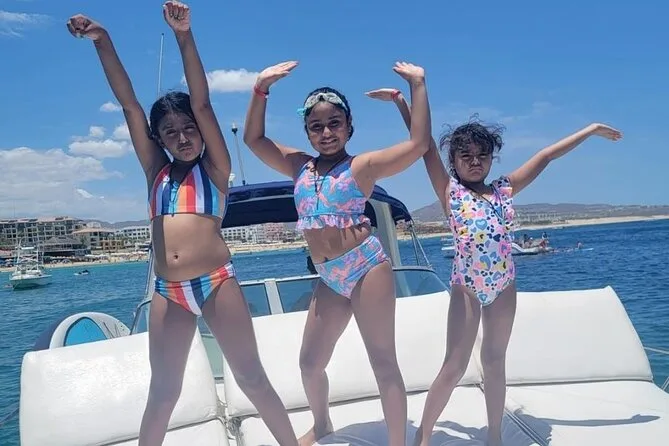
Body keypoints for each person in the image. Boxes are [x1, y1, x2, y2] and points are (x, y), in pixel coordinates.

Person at [66, 3, 298, 445]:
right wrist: (102, 40)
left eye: (189, 128)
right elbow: (130, 105)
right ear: (158, 139)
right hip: (167, 292)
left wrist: (183, 35)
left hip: (216, 283)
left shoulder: (214, 169)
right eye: (170, 132)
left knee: (251, 378)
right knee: (163, 392)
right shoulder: (156, 172)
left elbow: (203, 102)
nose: (183, 137)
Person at [365, 87, 622, 446]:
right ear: (454, 161)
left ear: (491, 158)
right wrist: (402, 103)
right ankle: (423, 435)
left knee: (495, 361)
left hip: (504, 285)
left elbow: (546, 156)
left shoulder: (505, 190)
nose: (475, 161)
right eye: (466, 156)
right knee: (454, 365)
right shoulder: (450, 191)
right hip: (467, 286)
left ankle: (495, 436)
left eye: (482, 155)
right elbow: (425, 146)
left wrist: (590, 130)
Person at [243, 61, 432, 446]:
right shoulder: (299, 166)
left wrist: (414, 88)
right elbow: (253, 139)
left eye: (334, 123)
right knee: (310, 363)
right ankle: (322, 425)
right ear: (307, 131)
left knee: (383, 363)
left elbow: (418, 145)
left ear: (348, 127)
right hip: (329, 277)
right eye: (316, 126)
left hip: (366, 267)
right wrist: (260, 88)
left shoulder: (361, 166)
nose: (326, 132)